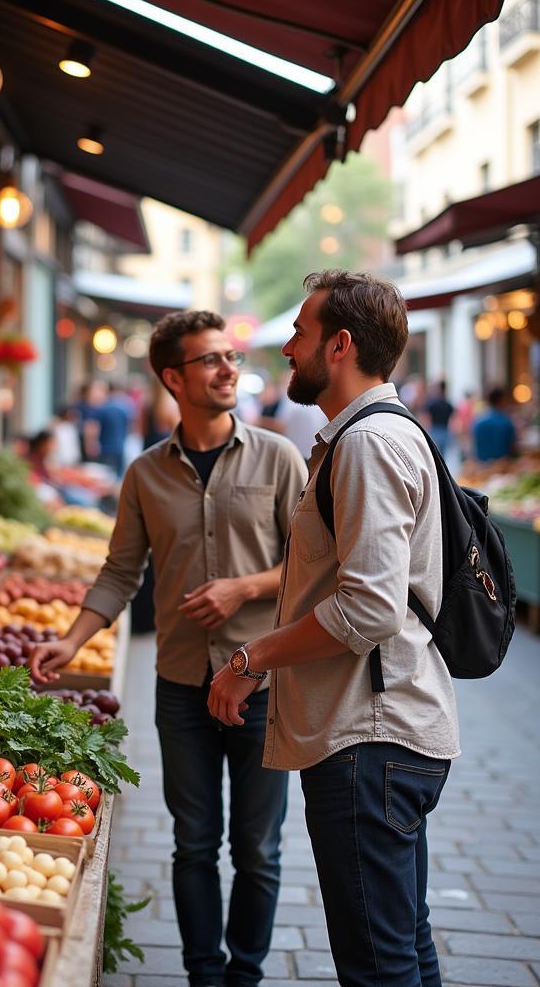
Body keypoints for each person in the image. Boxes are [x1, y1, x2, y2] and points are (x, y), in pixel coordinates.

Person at [31, 311, 307, 987]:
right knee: (193, 844)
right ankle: (202, 974)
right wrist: (71, 640)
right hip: (182, 684)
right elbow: (120, 571)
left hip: (261, 681)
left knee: (258, 849)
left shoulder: (278, 457)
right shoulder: (146, 474)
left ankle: (246, 974)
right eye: (210, 360)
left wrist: (242, 588)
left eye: (230, 357)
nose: (228, 370)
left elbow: (312, 563)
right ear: (173, 378)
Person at [207, 270, 459, 987]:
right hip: (382, 736)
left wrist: (250, 658)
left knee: (378, 967)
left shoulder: (369, 444)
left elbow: (369, 608)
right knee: (404, 952)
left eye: (301, 332)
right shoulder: (375, 434)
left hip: (367, 739)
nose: (287, 347)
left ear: (340, 345)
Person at [473, 387, 517, 462]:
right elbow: (512, 447)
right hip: (503, 466)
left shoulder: (478, 421)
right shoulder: (506, 422)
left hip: (481, 467)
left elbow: (475, 447)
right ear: (502, 400)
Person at [422, 379, 455, 459]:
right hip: (445, 431)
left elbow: (427, 418)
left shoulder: (433, 404)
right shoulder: (448, 404)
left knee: (435, 455)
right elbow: (452, 420)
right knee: (443, 456)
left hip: (435, 430)